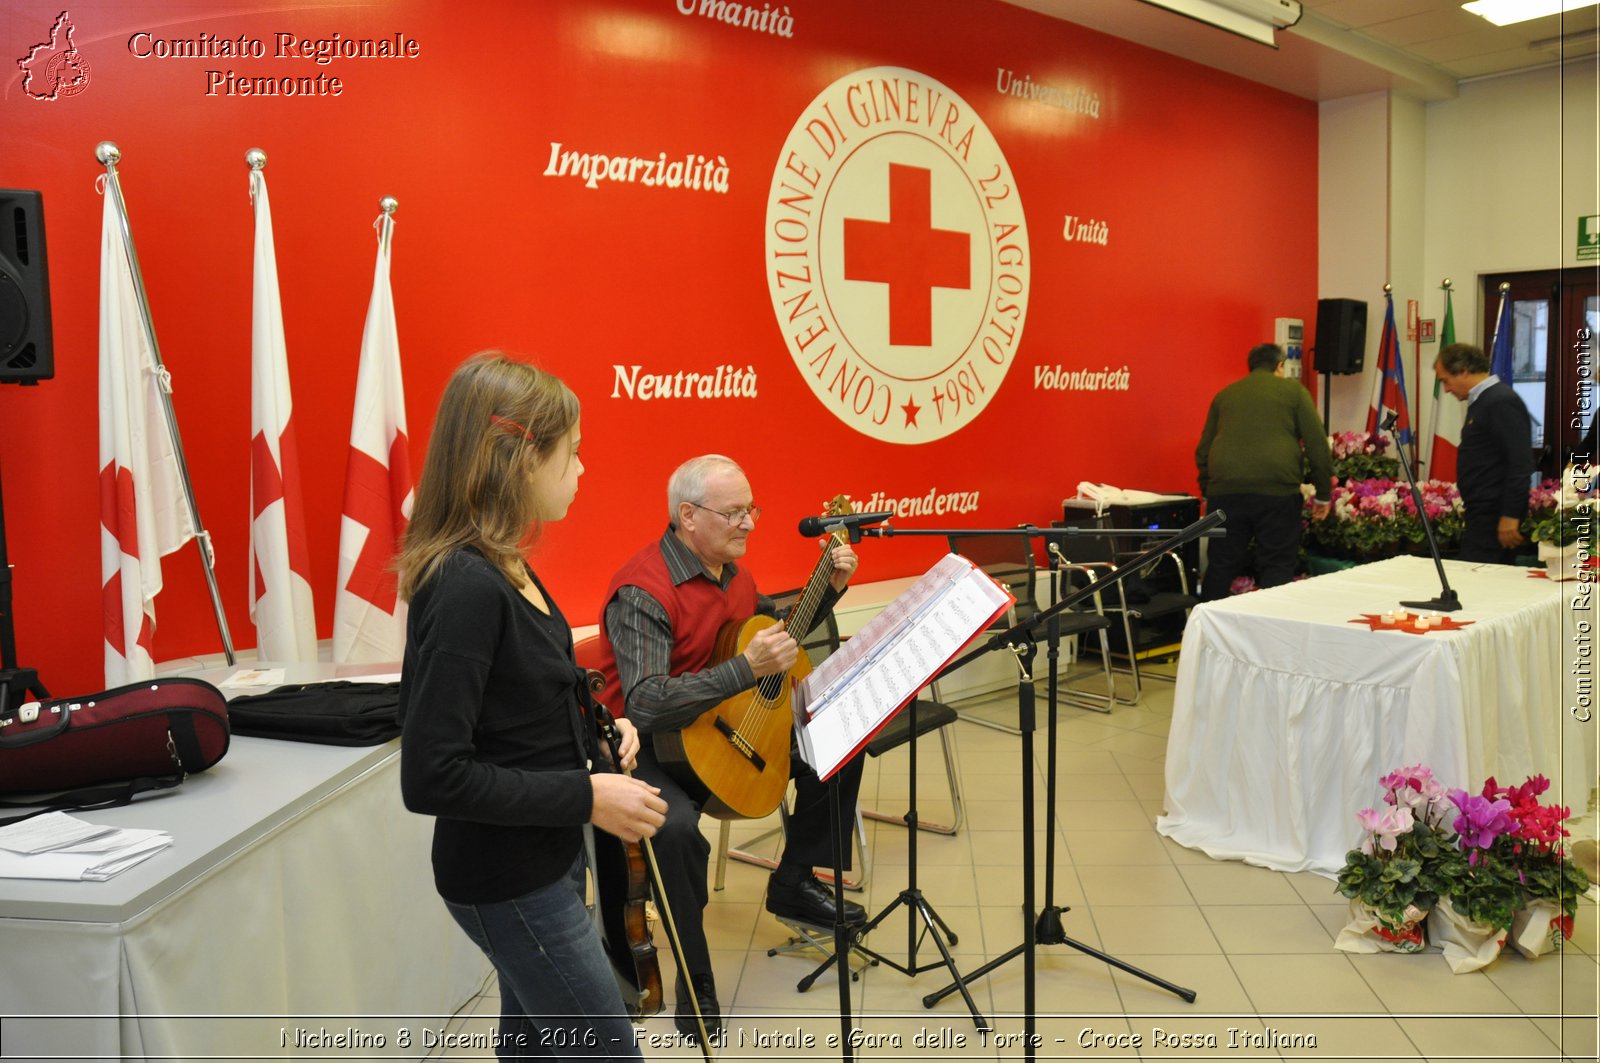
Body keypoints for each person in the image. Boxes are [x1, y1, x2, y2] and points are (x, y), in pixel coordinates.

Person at [396, 354, 666, 1061]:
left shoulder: (507, 561)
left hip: (542, 857)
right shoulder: (465, 587)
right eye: (571, 453)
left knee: (534, 1049)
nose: (582, 469)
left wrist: (603, 735)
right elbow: (432, 774)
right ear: (518, 458)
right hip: (505, 875)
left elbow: (515, 709)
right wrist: (587, 792)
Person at [592, 454, 866, 1045]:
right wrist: (745, 668)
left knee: (839, 741)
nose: (748, 524)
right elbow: (644, 704)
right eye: (734, 512)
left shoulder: (732, 574)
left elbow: (771, 640)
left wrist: (828, 592)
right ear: (688, 516)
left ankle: (793, 879)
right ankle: (695, 982)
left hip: (718, 738)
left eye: (752, 510)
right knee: (676, 830)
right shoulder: (642, 590)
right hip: (646, 751)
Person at [1195, 342, 1333, 599]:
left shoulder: (1225, 395)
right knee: (1277, 566)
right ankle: (1271, 633)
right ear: (1280, 366)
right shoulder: (1294, 392)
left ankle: (1204, 632)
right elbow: (1317, 445)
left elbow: (1203, 450)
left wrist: (1208, 490)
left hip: (1225, 493)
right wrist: (1323, 494)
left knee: (1221, 564)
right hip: (1277, 494)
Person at [1434, 341, 1535, 563]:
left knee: (1481, 584)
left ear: (1463, 371)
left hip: (1495, 514)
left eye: (1446, 381)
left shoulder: (1499, 401)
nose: (1447, 389)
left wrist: (1510, 515)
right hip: (1483, 513)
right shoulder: (1483, 401)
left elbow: (1520, 463)